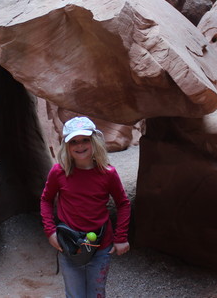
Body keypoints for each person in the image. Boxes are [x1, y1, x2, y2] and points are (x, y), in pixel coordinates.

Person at [40, 116, 131, 298]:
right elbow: (46, 200)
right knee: (74, 295)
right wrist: (50, 232)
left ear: (94, 141)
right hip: (70, 245)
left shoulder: (107, 174)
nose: (79, 146)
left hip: (100, 246)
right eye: (73, 141)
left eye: (84, 140)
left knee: (96, 294)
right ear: (66, 146)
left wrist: (121, 238)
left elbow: (123, 203)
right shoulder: (59, 172)